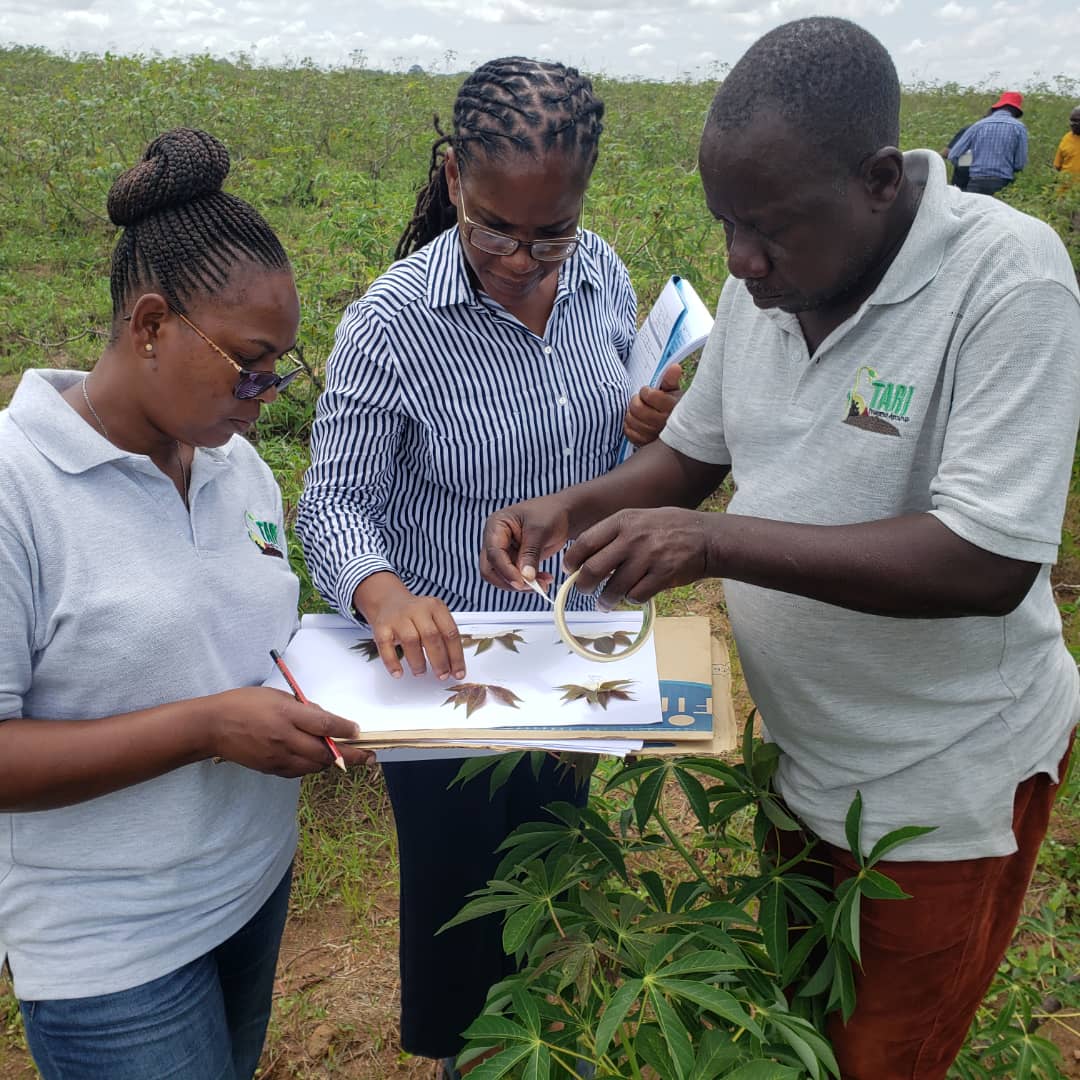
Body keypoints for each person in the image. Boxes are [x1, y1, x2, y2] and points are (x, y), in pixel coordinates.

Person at [481, 18, 1079, 1080]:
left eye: (770, 229)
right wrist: (563, 508)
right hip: (803, 763)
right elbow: (687, 463)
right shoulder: (771, 286)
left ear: (880, 183)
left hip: (938, 792)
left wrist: (712, 543)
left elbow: (987, 562)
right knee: (797, 1039)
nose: (740, 261)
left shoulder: (1010, 280)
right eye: (725, 225)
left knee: (877, 1060)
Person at [296, 57, 679, 1077]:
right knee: (467, 909)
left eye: (551, 231)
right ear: (457, 178)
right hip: (447, 682)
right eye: (498, 228)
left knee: (555, 879)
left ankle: (549, 1046)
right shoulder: (394, 321)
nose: (525, 256)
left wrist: (647, 434)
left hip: (574, 662)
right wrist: (386, 595)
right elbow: (334, 503)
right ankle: (478, 1059)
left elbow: (613, 469)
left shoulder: (602, 278)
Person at [0, 128, 371, 1080]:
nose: (265, 399)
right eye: (251, 365)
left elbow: (240, 638)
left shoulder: (233, 465)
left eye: (282, 368)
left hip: (248, 886)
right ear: (152, 324)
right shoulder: (16, 489)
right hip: (110, 943)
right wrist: (206, 728)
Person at [948, 90, 1028, 195]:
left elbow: (953, 155)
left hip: (976, 181)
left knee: (974, 210)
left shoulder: (978, 125)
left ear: (997, 107)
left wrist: (966, 169)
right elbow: (1019, 163)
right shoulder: (1019, 127)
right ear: (1016, 111)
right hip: (1002, 182)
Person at [1053, 105, 1080, 177]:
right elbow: (1057, 166)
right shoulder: (1066, 138)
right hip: (1063, 187)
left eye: (1076, 120)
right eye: (1071, 120)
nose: (1072, 124)